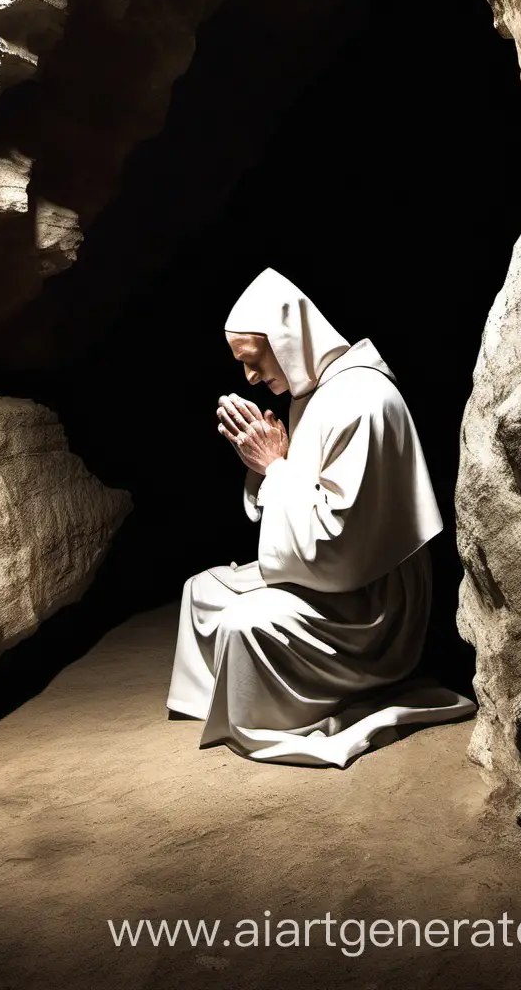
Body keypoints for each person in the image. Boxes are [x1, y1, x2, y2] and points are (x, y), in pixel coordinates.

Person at [165, 266, 476, 767]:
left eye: (252, 359)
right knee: (201, 590)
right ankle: (229, 701)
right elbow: (305, 502)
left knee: (246, 624)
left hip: (370, 603)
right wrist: (269, 466)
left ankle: (282, 710)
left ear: (286, 340)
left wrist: (274, 466)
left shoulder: (362, 400)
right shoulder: (314, 395)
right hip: (332, 574)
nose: (248, 376)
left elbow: (338, 541)